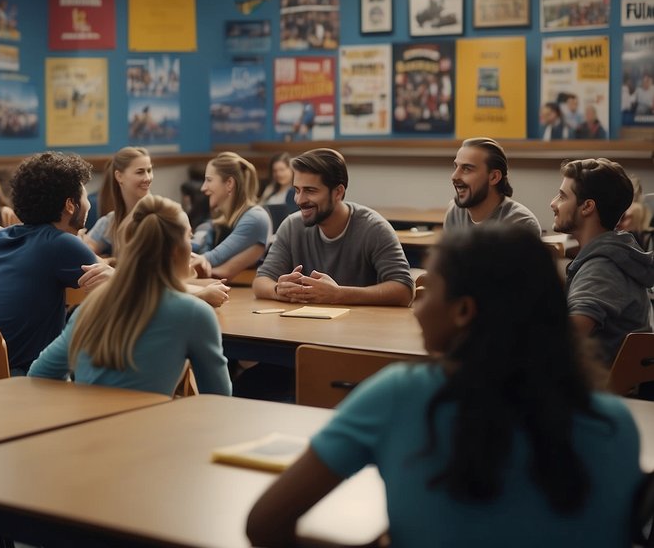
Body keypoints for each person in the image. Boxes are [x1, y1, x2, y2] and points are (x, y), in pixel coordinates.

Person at [247, 224, 642, 548]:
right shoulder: (616, 423)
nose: (417, 306)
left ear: (463, 311)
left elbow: (264, 524)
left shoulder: (399, 394)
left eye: (429, 290)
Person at [29, 195, 232, 396]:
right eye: (189, 236)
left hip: (86, 427)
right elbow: (219, 398)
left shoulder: (90, 307)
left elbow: (39, 375)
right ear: (176, 251)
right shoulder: (195, 314)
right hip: (148, 427)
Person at [0, 151, 113, 374]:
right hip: (20, 381)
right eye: (84, 196)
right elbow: (124, 287)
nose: (88, 204)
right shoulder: (61, 244)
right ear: (70, 205)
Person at [253, 148, 413, 306]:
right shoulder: (291, 226)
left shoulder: (374, 228)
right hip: (304, 328)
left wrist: (339, 294)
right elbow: (261, 281)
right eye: (297, 190)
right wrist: (278, 290)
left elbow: (404, 290)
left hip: (361, 329)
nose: (299, 200)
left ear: (338, 192)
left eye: (310, 190)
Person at [549, 157, 654, 366]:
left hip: (601, 390)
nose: (553, 203)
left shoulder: (602, 268)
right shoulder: (614, 255)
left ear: (587, 207)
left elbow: (564, 338)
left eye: (562, 196)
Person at [194, 152, 271, 279]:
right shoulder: (215, 223)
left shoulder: (255, 218)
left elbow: (213, 259)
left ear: (229, 183)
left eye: (209, 180)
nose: (203, 188)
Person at [442, 138, 540, 233]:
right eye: (455, 167)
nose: (454, 176)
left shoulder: (521, 224)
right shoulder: (455, 213)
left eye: (467, 169)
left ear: (494, 177)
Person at [83, 146, 152, 257]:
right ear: (119, 176)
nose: (148, 178)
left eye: (149, 170)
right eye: (140, 172)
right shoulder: (110, 222)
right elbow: (84, 254)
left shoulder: (162, 215)